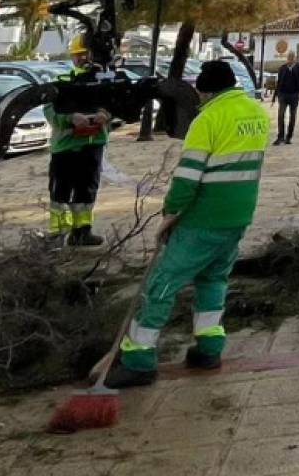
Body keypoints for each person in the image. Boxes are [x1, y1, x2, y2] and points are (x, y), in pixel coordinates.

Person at [105, 60, 270, 388]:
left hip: (203, 216)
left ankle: (138, 359)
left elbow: (188, 175)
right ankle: (209, 348)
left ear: (205, 91)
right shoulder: (257, 113)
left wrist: (172, 211)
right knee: (213, 279)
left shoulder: (208, 119)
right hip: (238, 215)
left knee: (162, 284)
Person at [44, 35, 111, 247]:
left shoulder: (103, 81)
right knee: (60, 193)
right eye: (78, 55)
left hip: (92, 146)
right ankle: (58, 234)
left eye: (85, 54)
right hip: (66, 147)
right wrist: (70, 118)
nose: (82, 58)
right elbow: (50, 110)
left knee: (87, 191)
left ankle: (82, 233)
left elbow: (115, 105)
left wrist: (105, 114)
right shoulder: (62, 82)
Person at [272, 50, 299, 145]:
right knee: (281, 115)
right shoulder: (282, 68)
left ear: (295, 58)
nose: (290, 60)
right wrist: (276, 96)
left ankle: (289, 137)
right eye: (288, 58)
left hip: (294, 95)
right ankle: (280, 137)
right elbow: (279, 82)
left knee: (292, 116)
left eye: (292, 58)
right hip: (283, 95)